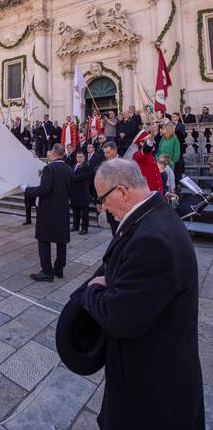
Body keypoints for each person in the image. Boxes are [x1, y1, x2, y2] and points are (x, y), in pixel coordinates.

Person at [80, 158, 204, 429]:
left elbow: (120, 317)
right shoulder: (156, 214)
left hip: (153, 393)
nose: (101, 207)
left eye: (101, 198)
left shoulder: (153, 240)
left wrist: (94, 289)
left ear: (122, 191)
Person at [25, 143, 74, 281]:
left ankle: (47, 272)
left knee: (43, 240)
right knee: (61, 241)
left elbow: (44, 190)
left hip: (48, 211)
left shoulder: (49, 169)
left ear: (53, 153)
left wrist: (27, 189)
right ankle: (59, 269)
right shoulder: (69, 169)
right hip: (63, 210)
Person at [99, 141, 119, 236]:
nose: (106, 155)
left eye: (108, 152)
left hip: (120, 203)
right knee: (113, 228)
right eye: (104, 153)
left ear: (115, 151)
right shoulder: (104, 164)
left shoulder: (123, 163)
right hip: (108, 203)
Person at [70, 151, 91, 235]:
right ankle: (75, 225)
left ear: (84, 158)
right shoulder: (74, 165)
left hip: (83, 192)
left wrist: (71, 177)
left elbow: (79, 177)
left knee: (84, 212)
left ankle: (84, 228)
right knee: (75, 210)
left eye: (80, 157)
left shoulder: (86, 166)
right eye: (77, 157)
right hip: (74, 192)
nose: (79, 158)